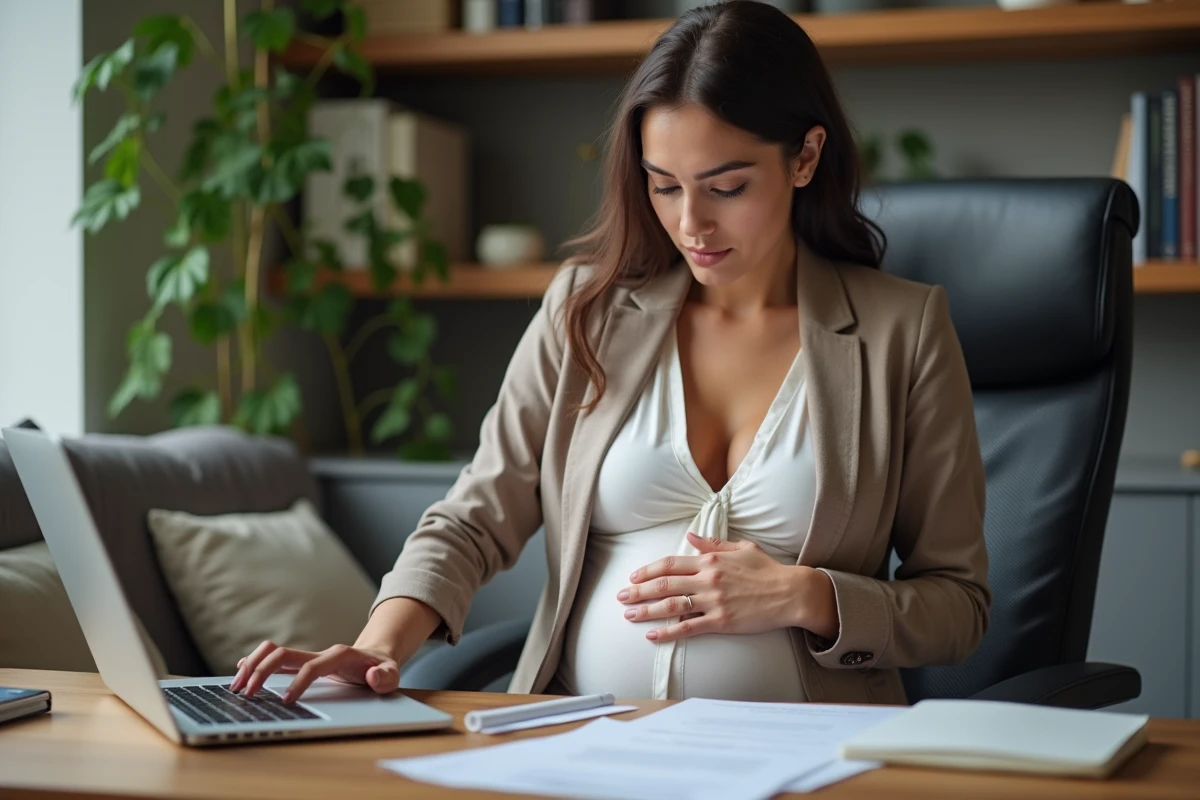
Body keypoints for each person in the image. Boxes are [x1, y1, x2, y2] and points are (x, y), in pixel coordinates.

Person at [233, 0, 990, 706]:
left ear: (805, 156)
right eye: (664, 186)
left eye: (727, 186)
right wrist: (376, 650)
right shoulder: (585, 309)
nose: (690, 223)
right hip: (585, 739)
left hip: (809, 756)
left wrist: (809, 596)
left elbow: (958, 605)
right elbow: (474, 519)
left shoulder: (903, 332)